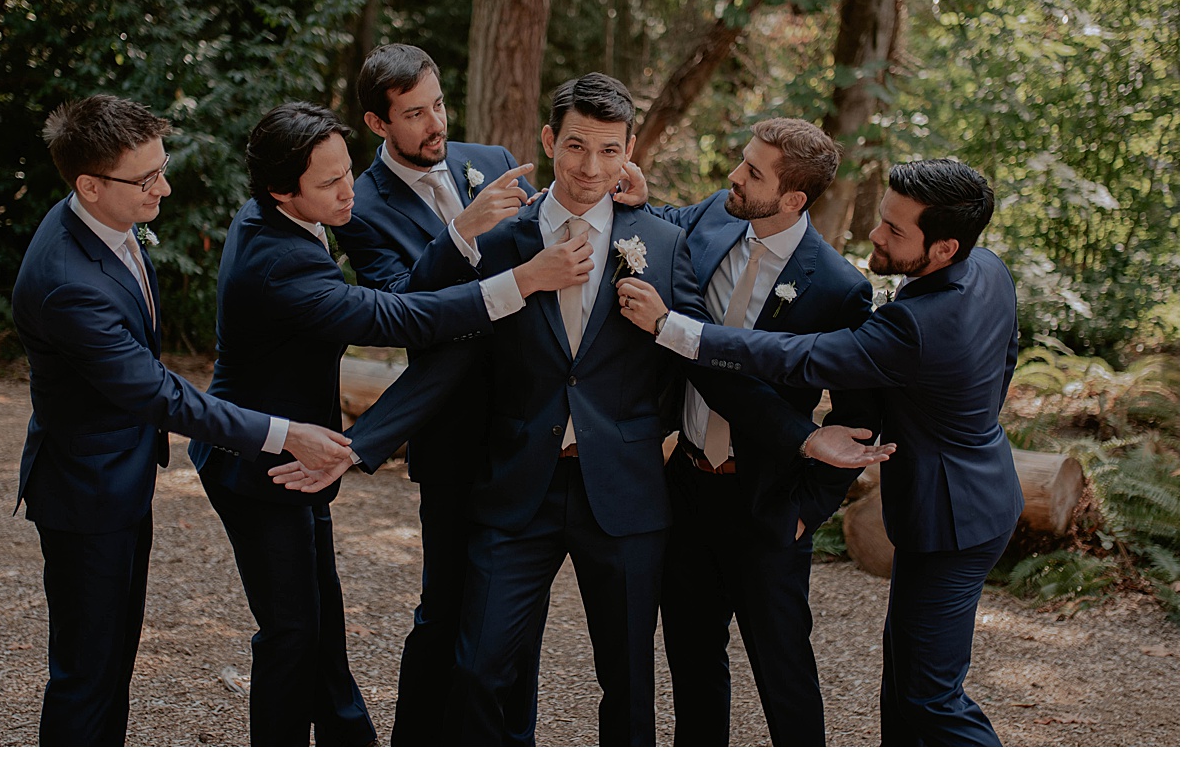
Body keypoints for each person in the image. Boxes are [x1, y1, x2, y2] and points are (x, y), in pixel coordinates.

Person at [332, 74, 893, 745]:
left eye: (607, 149)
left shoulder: (662, 244)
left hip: (625, 493)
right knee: (479, 666)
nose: (588, 166)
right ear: (549, 141)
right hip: (518, 489)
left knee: (628, 685)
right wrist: (359, 445)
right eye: (574, 146)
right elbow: (447, 353)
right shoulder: (504, 239)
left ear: (628, 152)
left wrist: (801, 441)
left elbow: (703, 360)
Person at [186, 101, 591, 746]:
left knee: (321, 620)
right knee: (292, 633)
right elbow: (395, 319)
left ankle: (353, 741)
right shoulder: (277, 260)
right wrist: (526, 280)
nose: (350, 191)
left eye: (348, 171)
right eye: (329, 184)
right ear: (280, 191)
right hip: (257, 459)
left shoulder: (285, 218)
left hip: (300, 449)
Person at [619, 158, 1022, 746]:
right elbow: (1008, 349)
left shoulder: (917, 324)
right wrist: (969, 420)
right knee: (905, 686)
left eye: (895, 231)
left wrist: (672, 328)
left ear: (943, 248)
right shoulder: (986, 267)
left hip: (953, 516)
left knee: (930, 699)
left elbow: (797, 357)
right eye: (883, 219)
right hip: (972, 487)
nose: (875, 236)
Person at [11, 94, 355, 746]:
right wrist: (285, 434)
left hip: (118, 476)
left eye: (159, 169)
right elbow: (162, 396)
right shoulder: (66, 279)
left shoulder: (97, 222)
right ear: (90, 184)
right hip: (86, 493)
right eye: (146, 180)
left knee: (110, 666)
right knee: (88, 675)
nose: (163, 188)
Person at [634, 117, 881, 745]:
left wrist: (809, 509)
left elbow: (858, 416)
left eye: (752, 172)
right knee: (691, 661)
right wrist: (636, 191)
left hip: (768, 501)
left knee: (784, 670)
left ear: (792, 199)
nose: (732, 178)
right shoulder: (717, 216)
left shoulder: (839, 287)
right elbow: (666, 216)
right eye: (742, 162)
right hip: (687, 485)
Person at [331, 43, 544, 745]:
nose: (435, 123)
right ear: (376, 122)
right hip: (451, 433)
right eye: (414, 113)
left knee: (520, 613)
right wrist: (463, 230)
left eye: (438, 103)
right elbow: (398, 312)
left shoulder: (489, 156)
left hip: (528, 424)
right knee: (446, 606)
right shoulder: (360, 205)